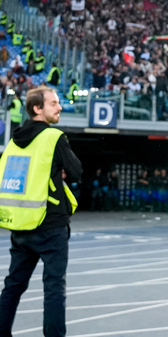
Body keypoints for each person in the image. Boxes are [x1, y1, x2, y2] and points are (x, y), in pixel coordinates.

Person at [0, 86, 82, 336]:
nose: (59, 107)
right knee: (54, 288)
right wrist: (61, 170)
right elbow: (76, 171)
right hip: (50, 224)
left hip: (21, 224)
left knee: (13, 285)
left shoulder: (14, 140)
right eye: (54, 103)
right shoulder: (53, 137)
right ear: (38, 108)